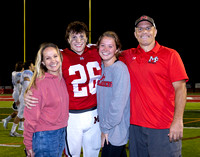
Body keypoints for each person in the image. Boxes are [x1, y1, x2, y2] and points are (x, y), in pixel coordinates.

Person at [24, 21, 102, 157]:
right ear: (67, 39)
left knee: (93, 152)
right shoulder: (60, 55)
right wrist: (29, 90)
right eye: (74, 37)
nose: (78, 41)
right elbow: (43, 70)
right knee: (72, 154)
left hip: (95, 113)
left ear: (87, 38)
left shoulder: (97, 50)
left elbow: (115, 55)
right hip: (72, 116)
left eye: (82, 37)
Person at [120, 15, 189, 157]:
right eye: (140, 29)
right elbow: (106, 52)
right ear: (135, 34)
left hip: (163, 127)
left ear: (155, 32)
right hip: (135, 128)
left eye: (148, 28)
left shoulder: (170, 55)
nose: (144, 31)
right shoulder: (127, 55)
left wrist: (178, 120)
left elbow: (180, 89)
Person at [23, 43, 69, 157]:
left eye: (55, 56)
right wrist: (28, 144)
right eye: (48, 58)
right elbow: (30, 117)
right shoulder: (40, 83)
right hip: (44, 136)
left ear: (60, 57)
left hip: (61, 132)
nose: (53, 60)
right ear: (43, 62)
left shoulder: (62, 79)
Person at [96, 31, 130, 157]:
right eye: (102, 45)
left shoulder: (120, 69)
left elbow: (117, 106)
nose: (106, 49)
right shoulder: (101, 68)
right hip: (107, 129)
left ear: (117, 49)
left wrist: (105, 128)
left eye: (110, 46)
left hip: (114, 131)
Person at [10, 60, 34, 137]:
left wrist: (19, 98)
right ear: (30, 66)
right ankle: (13, 131)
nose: (34, 66)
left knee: (27, 114)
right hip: (25, 97)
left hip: (23, 96)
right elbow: (27, 85)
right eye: (32, 65)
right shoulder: (28, 73)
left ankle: (26, 129)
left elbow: (21, 87)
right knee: (20, 114)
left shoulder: (23, 73)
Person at [2, 61, 24, 129]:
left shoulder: (13, 73)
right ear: (22, 68)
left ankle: (7, 119)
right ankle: (21, 126)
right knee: (22, 110)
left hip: (15, 92)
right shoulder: (20, 74)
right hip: (18, 93)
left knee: (18, 111)